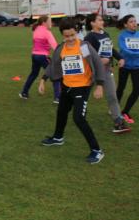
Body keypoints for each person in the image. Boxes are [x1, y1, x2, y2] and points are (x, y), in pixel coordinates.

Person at [39, 18, 105, 164]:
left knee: (79, 118)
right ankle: (58, 137)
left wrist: (100, 85)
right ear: (62, 35)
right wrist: (43, 79)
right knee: (61, 112)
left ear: (77, 33)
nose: (69, 39)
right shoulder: (61, 48)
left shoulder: (84, 46)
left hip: (83, 87)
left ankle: (97, 150)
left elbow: (98, 64)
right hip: (67, 87)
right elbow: (53, 65)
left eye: (72, 35)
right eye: (66, 36)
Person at [84, 14, 130, 133]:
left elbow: (111, 49)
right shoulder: (89, 37)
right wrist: (99, 59)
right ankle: (78, 115)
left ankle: (118, 122)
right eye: (99, 20)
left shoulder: (105, 34)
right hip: (91, 71)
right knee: (82, 96)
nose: (102, 21)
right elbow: (85, 55)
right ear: (92, 23)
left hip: (106, 70)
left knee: (112, 96)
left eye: (102, 20)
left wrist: (120, 58)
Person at [19, 15, 60, 102]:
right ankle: (58, 97)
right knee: (55, 74)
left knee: (33, 74)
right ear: (44, 22)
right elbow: (55, 46)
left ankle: (24, 92)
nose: (51, 23)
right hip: (42, 56)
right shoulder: (47, 32)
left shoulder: (36, 30)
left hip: (34, 55)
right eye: (49, 21)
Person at [116, 14, 139, 124]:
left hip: (137, 67)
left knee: (137, 90)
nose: (134, 23)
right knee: (121, 88)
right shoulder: (122, 36)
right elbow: (124, 50)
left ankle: (125, 111)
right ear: (126, 24)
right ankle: (114, 108)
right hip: (124, 66)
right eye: (131, 21)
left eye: (135, 21)